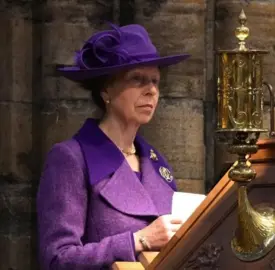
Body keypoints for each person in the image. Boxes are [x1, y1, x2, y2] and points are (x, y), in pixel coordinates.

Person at [36, 23, 190, 270]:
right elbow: (57, 259)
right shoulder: (70, 158)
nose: (151, 91)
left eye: (155, 81)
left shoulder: (156, 162)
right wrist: (137, 240)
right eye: (137, 79)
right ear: (106, 89)